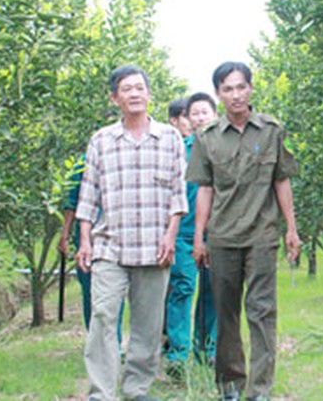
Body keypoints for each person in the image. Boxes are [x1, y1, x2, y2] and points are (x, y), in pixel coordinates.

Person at [186, 62, 300, 401]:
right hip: (222, 238)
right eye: (227, 89)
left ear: (250, 89)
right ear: (219, 95)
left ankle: (260, 389)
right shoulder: (207, 139)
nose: (235, 95)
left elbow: (282, 179)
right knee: (226, 312)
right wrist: (199, 237)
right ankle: (231, 385)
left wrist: (291, 229)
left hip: (262, 236)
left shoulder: (270, 130)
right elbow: (205, 189)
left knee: (262, 312)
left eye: (240, 87)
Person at [76, 65, 187, 401]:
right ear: (115, 98)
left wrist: (170, 236)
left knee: (148, 324)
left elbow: (178, 195)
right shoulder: (101, 140)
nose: (135, 94)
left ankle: (137, 389)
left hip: (155, 247)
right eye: (127, 89)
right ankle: (101, 392)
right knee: (103, 315)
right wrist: (84, 239)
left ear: (149, 95)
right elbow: (88, 193)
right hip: (109, 246)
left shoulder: (170, 138)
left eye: (140, 88)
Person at [164, 95, 218, 374]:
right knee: (183, 289)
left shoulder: (224, 149)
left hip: (217, 234)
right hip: (184, 233)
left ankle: (209, 349)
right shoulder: (179, 151)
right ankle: (177, 354)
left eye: (204, 112)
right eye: (193, 113)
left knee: (214, 292)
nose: (199, 118)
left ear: (215, 115)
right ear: (187, 118)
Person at [57, 154, 124, 346]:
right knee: (90, 289)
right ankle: (96, 339)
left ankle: (114, 342)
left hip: (115, 234)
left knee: (114, 287)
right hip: (88, 236)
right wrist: (65, 235)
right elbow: (72, 203)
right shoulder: (83, 163)